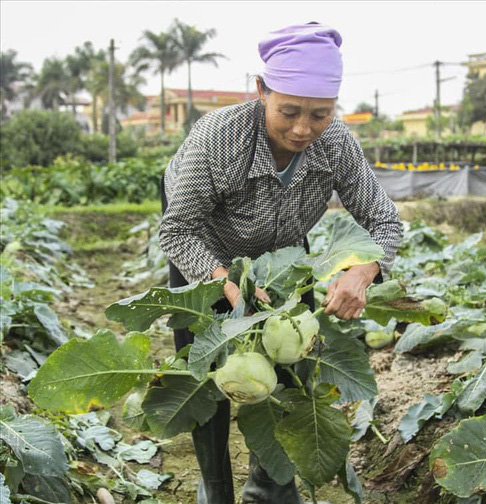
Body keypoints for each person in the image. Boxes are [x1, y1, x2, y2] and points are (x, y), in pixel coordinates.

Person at [159, 22, 403, 504]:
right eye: (289, 111)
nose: (302, 128)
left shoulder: (336, 144)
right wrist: (229, 288)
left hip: (284, 262)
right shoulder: (217, 137)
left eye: (319, 114)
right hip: (204, 251)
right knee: (204, 375)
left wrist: (364, 270)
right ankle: (216, 489)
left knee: (290, 373)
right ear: (261, 91)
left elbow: (385, 222)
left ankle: (271, 487)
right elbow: (177, 230)